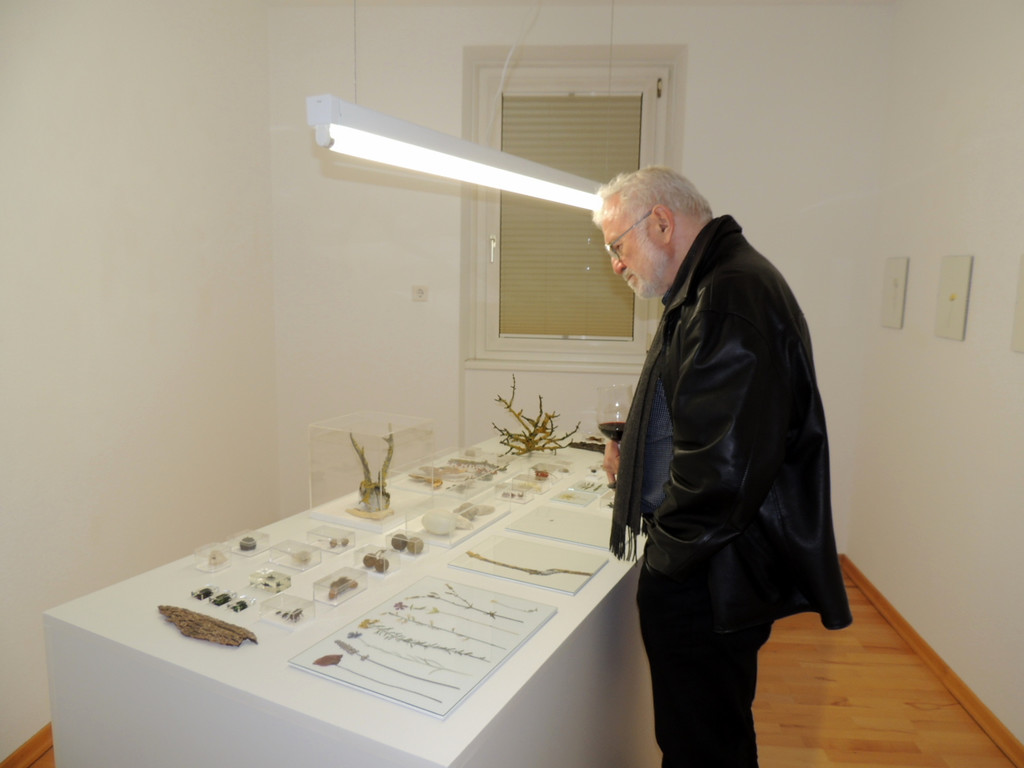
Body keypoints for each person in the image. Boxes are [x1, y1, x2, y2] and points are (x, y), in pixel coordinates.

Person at [594, 167, 852, 768]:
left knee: (702, 747)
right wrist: (640, 450)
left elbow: (725, 473)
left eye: (618, 245)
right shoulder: (718, 282)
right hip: (716, 565)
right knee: (713, 734)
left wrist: (665, 564)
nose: (616, 263)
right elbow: (712, 420)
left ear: (661, 222)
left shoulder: (728, 297)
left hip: (710, 574)